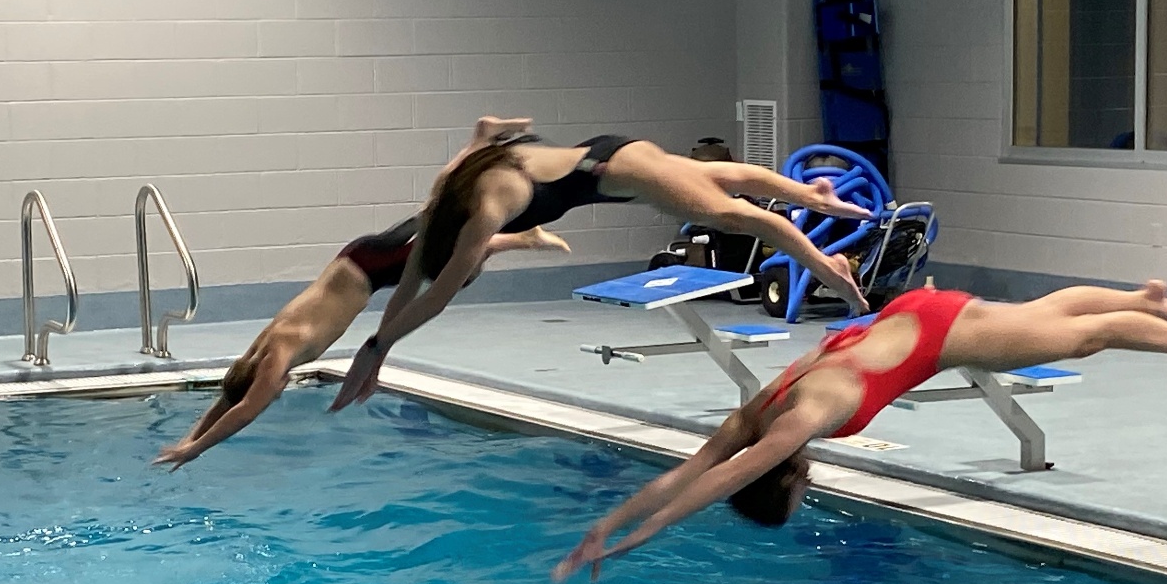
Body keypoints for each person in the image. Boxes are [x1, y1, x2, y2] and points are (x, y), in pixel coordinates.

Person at [552, 279, 1167, 580]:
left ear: (784, 479)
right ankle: (1144, 299)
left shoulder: (797, 424)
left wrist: (645, 533)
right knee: (1039, 315)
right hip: (910, 314)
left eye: (798, 494)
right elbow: (687, 469)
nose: (807, 488)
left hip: (936, 337)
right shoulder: (757, 411)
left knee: (1084, 339)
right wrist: (606, 525)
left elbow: (721, 477)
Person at [330, 131, 877, 411]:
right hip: (605, 153)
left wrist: (376, 347)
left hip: (612, 171)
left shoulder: (484, 213)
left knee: (740, 216)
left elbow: (437, 294)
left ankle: (826, 263)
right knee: (714, 180)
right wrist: (377, 348)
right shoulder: (439, 206)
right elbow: (410, 284)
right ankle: (811, 194)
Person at [155, 119, 570, 468]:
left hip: (374, 271)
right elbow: (231, 398)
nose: (275, 394)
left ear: (265, 381)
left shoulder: (278, 358)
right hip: (358, 257)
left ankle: (514, 231)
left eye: (270, 391)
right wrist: (188, 437)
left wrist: (196, 450)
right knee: (435, 214)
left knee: (458, 270)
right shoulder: (258, 351)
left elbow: (244, 409)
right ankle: (481, 146)